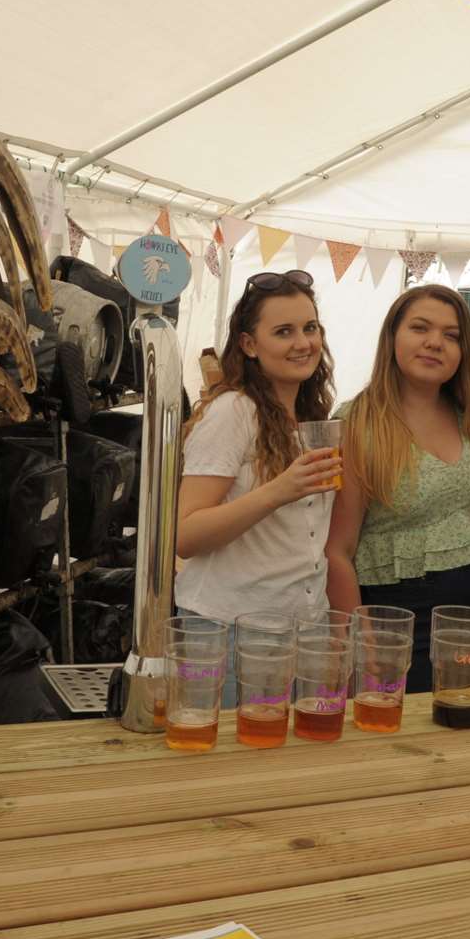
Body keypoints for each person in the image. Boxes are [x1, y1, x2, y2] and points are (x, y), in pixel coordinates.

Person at [325, 284, 470, 693]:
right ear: (392, 335)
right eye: (420, 328)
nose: (435, 343)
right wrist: (362, 640)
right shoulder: (359, 422)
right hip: (403, 618)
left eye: (452, 336)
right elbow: (337, 549)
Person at [173, 270, 342, 701]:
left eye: (310, 328)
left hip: (303, 626)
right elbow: (185, 535)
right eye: (283, 331)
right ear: (249, 344)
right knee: (231, 763)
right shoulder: (232, 411)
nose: (303, 343)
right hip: (230, 632)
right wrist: (278, 491)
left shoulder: (310, 413)